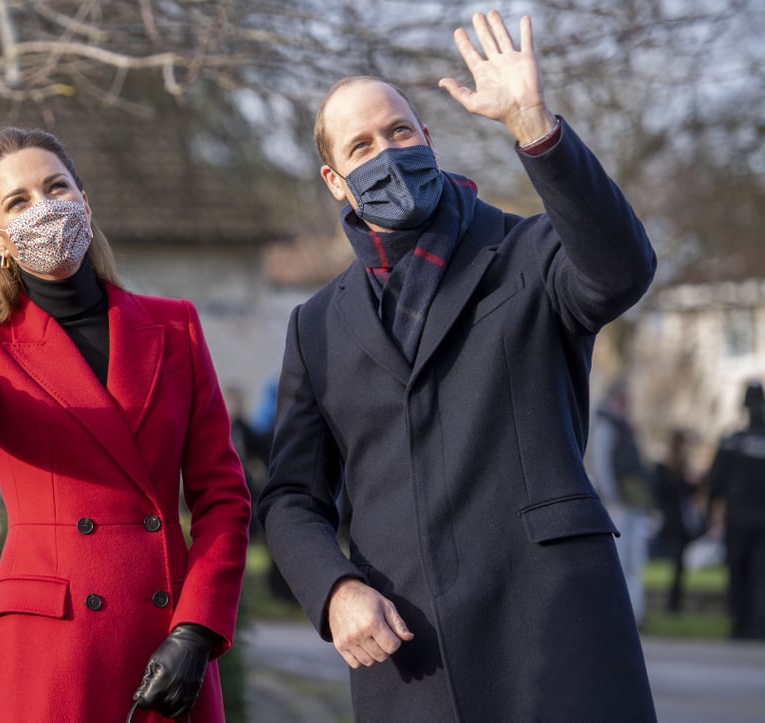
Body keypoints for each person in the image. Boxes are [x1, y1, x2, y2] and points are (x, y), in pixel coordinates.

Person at [256, 10, 657, 722]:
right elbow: (291, 496)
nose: (386, 152)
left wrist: (535, 124)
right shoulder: (315, 325)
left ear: (428, 139)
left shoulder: (527, 253)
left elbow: (621, 269)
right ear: (336, 180)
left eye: (400, 131)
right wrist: (333, 589)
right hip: (411, 658)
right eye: (362, 144)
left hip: (556, 634)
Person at [0, 127, 250, 722]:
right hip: (52, 650)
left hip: (167, 638)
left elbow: (223, 497)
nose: (44, 208)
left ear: (84, 203)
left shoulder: (175, 327)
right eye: (18, 202)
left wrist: (198, 627)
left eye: (56, 187)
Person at [589, 379, 653, 626]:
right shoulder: (607, 425)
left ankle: (635, 614)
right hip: (618, 504)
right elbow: (601, 463)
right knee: (621, 561)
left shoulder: (623, 426)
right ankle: (619, 615)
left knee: (635, 561)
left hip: (633, 502)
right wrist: (611, 496)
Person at [705, 380, 765, 639]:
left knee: (739, 571)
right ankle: (756, 625)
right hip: (759, 520)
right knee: (759, 573)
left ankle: (742, 625)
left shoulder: (732, 442)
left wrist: (709, 512)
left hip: (739, 519)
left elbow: (715, 482)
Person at [652, 428, 701, 613]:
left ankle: (675, 604)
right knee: (676, 562)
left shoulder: (681, 469)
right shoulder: (664, 469)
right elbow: (664, 492)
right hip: (672, 522)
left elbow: (687, 493)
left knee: (680, 564)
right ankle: (672, 605)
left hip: (682, 523)